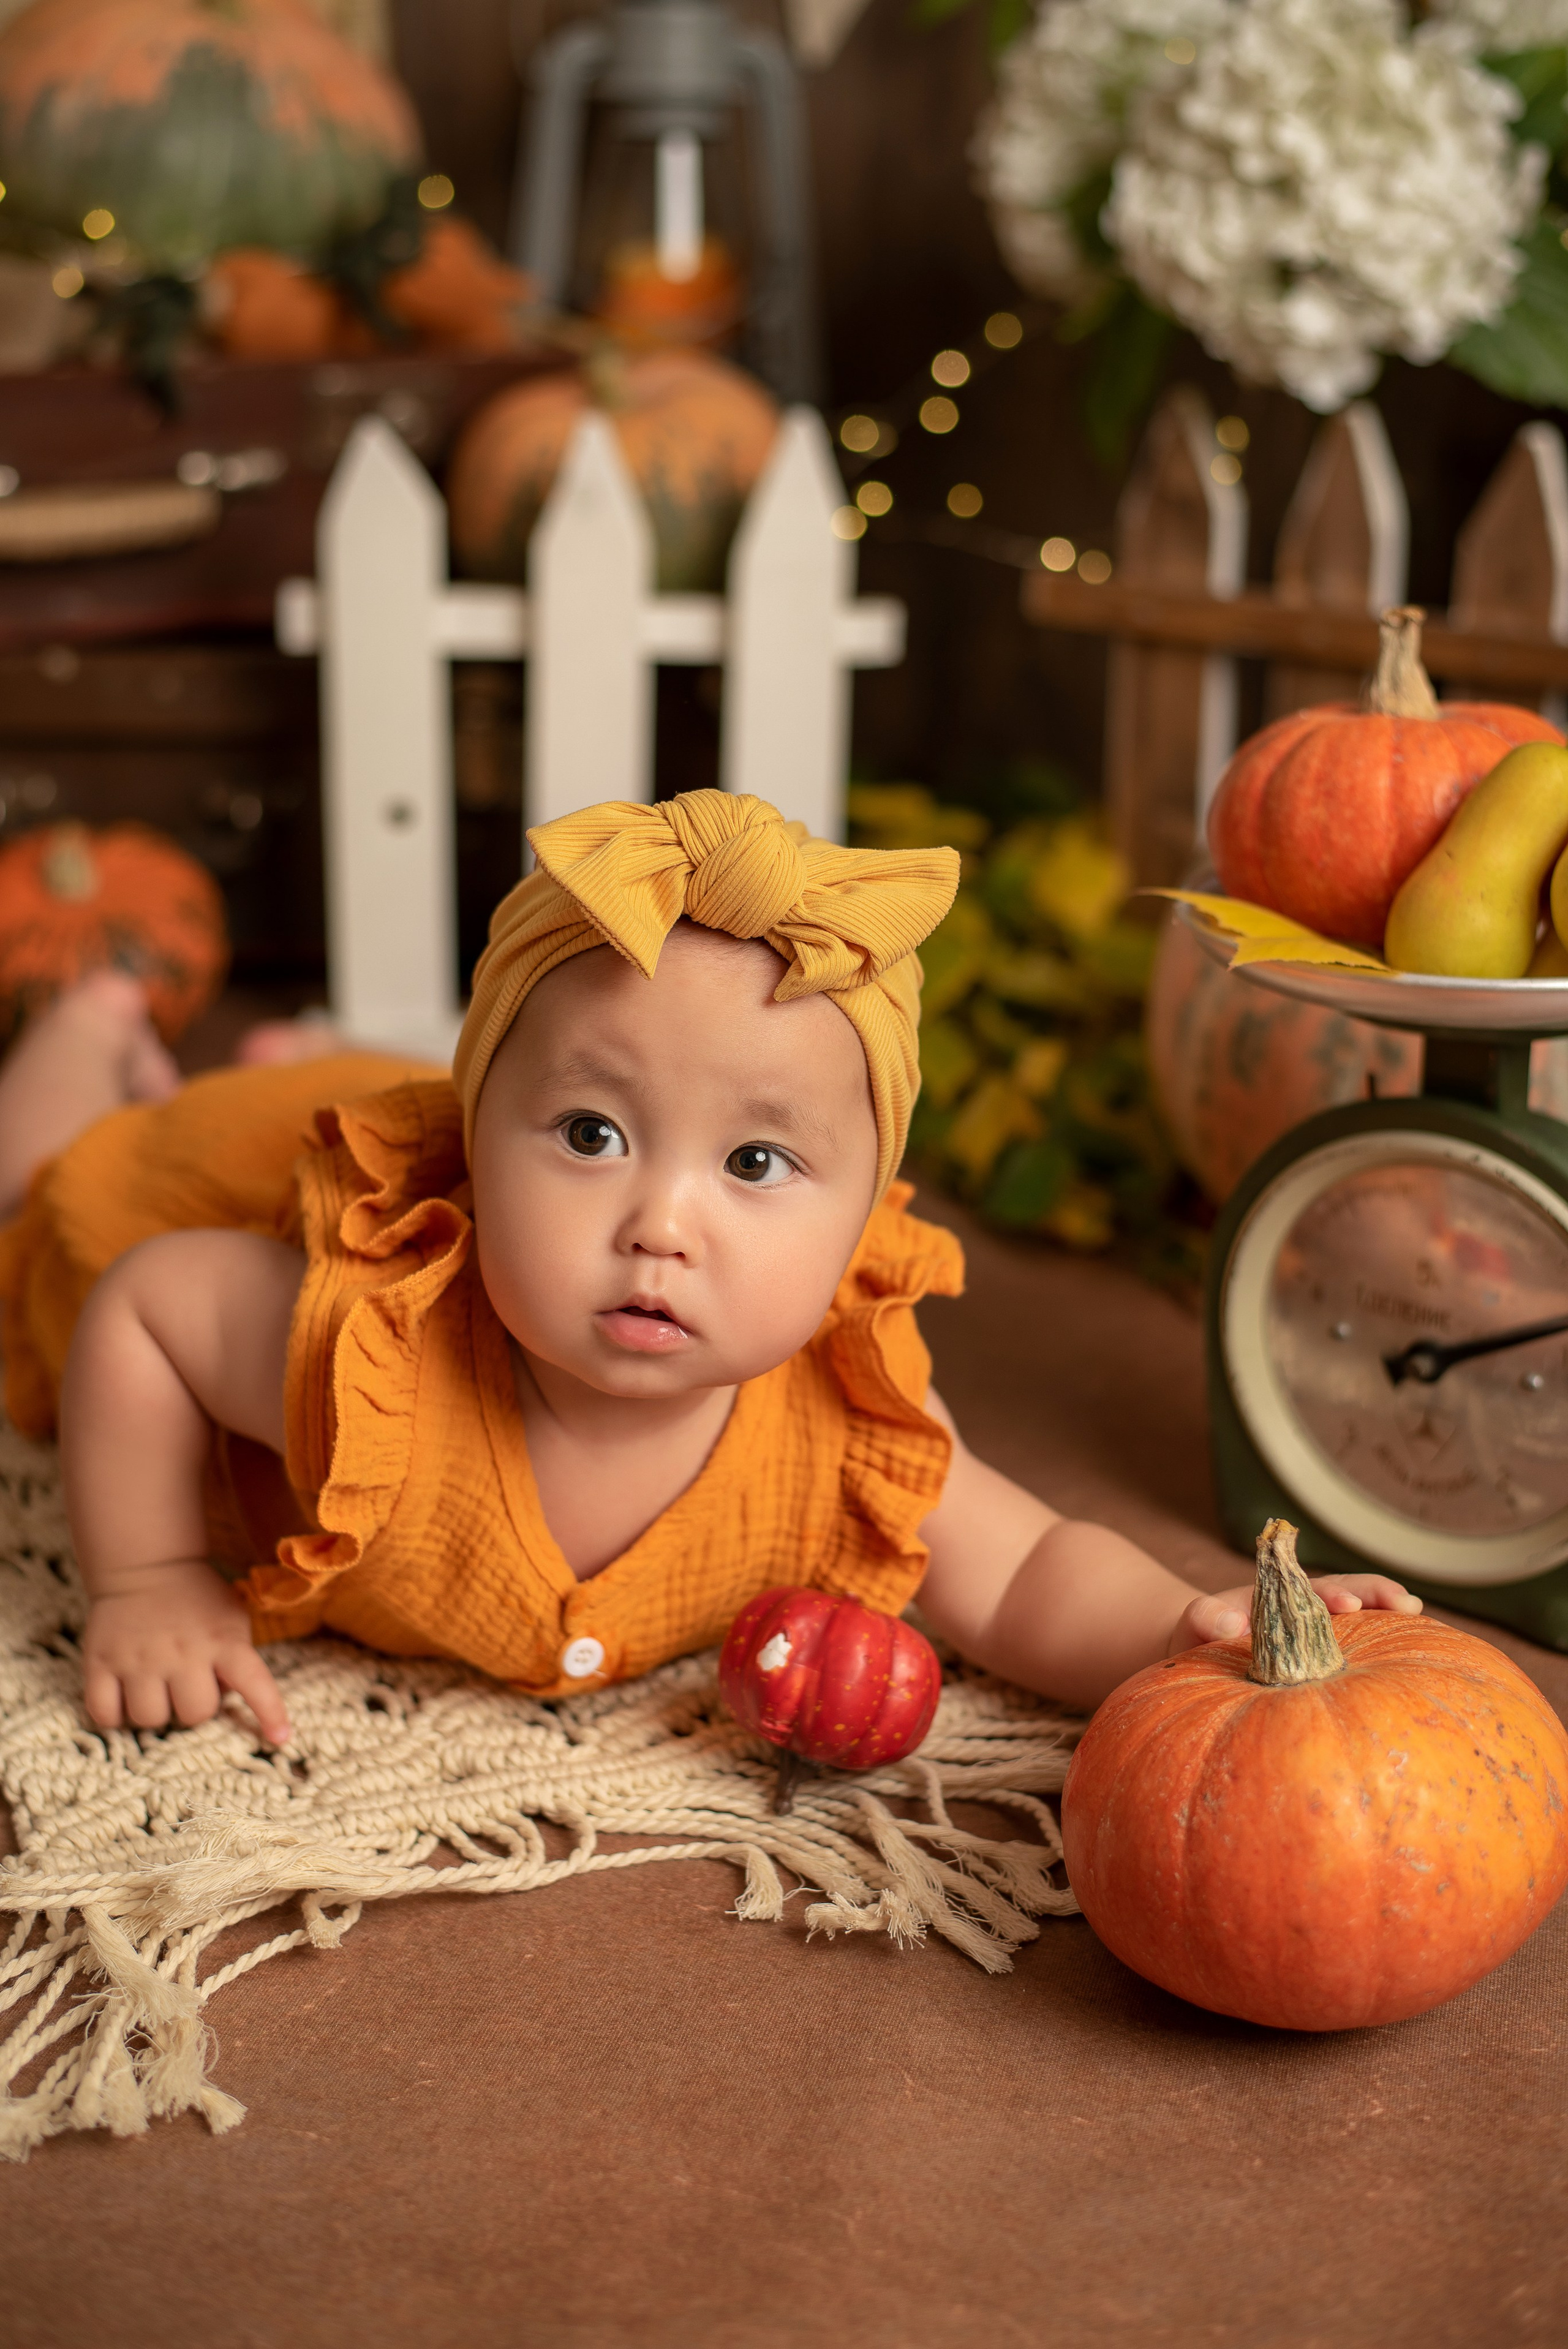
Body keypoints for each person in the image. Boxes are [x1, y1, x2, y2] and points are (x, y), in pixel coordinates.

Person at [0, 790, 1418, 1749]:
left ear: (863, 1216)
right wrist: (150, 1574)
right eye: (590, 1135)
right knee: (48, 1188)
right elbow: (143, 1311)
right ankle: (88, 1023)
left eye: (755, 1165)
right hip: (203, 1169)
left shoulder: (833, 1428)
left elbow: (1030, 1568)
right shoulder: (360, 1334)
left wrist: (1186, 1625)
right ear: (471, 1147)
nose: (658, 1224)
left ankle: (297, 1062)